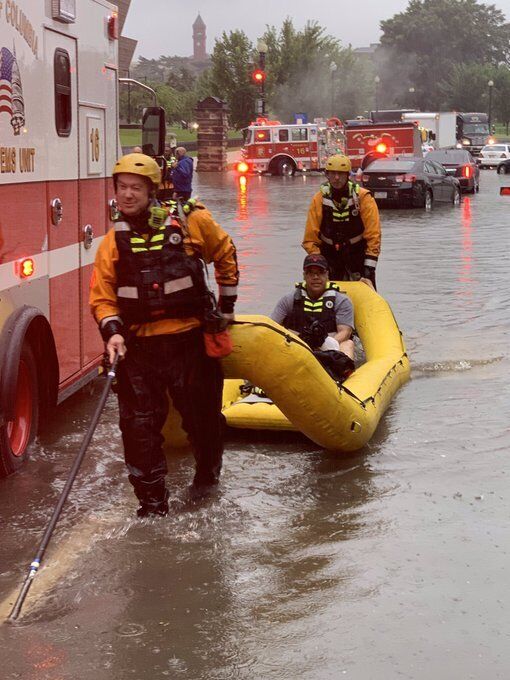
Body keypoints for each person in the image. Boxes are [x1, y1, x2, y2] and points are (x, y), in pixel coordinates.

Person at [90, 153, 239, 517]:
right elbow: (102, 296)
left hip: (188, 342)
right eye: (121, 188)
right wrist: (112, 332)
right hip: (139, 348)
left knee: (203, 420)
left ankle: (205, 482)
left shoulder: (192, 222)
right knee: (138, 429)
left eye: (135, 188)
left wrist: (227, 309)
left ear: (152, 190)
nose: (127, 195)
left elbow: (226, 254)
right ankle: (152, 506)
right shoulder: (113, 241)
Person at [270, 254, 355, 382]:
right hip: (298, 345)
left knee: (348, 344)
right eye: (311, 273)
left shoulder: (341, 301)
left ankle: (345, 382)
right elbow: (272, 326)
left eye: (320, 273)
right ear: (304, 275)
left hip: (330, 347)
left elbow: (345, 332)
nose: (316, 277)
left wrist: (324, 343)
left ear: (327, 275)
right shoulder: (289, 300)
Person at [303, 154, 381, 288]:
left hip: (357, 255)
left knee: (366, 291)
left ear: (348, 175)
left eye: (340, 174)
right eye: (332, 174)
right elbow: (310, 238)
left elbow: (373, 234)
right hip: (329, 256)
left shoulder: (363, 197)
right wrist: (319, 262)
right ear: (327, 175)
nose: (336, 178)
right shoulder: (319, 199)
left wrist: (369, 266)